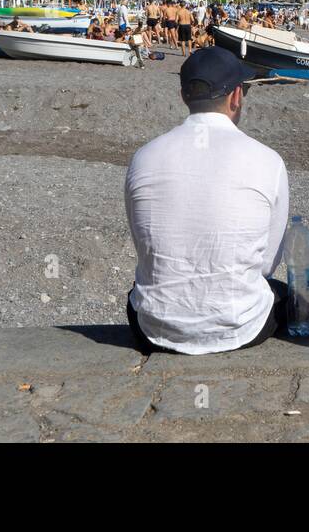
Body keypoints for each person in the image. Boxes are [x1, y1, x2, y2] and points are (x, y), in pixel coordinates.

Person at [124, 46, 290, 355]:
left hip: (154, 326)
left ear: (184, 96)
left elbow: (145, 246)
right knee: (284, 294)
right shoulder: (267, 160)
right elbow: (266, 264)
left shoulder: (144, 157)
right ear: (236, 96)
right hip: (239, 325)